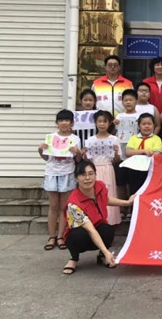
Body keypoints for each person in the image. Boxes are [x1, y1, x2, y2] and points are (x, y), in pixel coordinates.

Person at [61, 162, 135, 275]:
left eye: (91, 174)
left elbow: (106, 199)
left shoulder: (99, 186)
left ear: (95, 175)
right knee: (77, 235)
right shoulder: (73, 203)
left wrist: (127, 202)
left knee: (108, 229)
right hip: (82, 234)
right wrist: (107, 252)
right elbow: (90, 230)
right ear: (76, 178)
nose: (87, 178)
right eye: (83, 175)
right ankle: (74, 259)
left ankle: (102, 256)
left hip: (97, 226)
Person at [37, 109, 82, 251]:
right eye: (61, 120)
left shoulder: (75, 139)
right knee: (53, 206)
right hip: (51, 173)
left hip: (67, 173)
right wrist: (40, 150)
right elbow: (46, 157)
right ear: (57, 123)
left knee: (64, 207)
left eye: (67, 120)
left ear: (72, 123)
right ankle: (52, 236)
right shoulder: (50, 137)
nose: (64, 123)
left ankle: (61, 236)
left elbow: (78, 159)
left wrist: (78, 152)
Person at [83, 110, 121, 225]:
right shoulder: (90, 140)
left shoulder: (114, 139)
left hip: (108, 168)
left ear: (109, 123)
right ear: (95, 123)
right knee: (93, 194)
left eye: (105, 121)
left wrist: (115, 152)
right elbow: (87, 159)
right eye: (99, 121)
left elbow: (117, 160)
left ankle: (110, 221)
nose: (102, 124)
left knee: (108, 194)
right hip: (94, 169)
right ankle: (95, 220)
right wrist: (84, 153)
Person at [125, 113, 162, 195]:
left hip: (150, 169)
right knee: (135, 191)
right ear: (139, 126)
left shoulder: (156, 139)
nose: (146, 126)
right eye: (144, 124)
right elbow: (128, 152)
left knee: (149, 191)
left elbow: (158, 153)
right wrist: (143, 151)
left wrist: (151, 153)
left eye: (149, 124)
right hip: (134, 169)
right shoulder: (134, 138)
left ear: (154, 125)